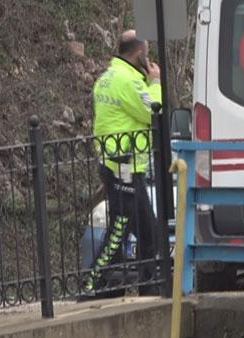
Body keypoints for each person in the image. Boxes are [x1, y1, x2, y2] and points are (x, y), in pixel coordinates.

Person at [86, 30, 161, 295]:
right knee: (119, 228)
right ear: (139, 52)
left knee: (149, 232)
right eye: (147, 52)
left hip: (118, 163)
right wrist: (155, 83)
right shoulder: (130, 81)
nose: (149, 57)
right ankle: (94, 283)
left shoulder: (106, 77)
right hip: (124, 165)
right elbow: (153, 112)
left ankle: (150, 288)